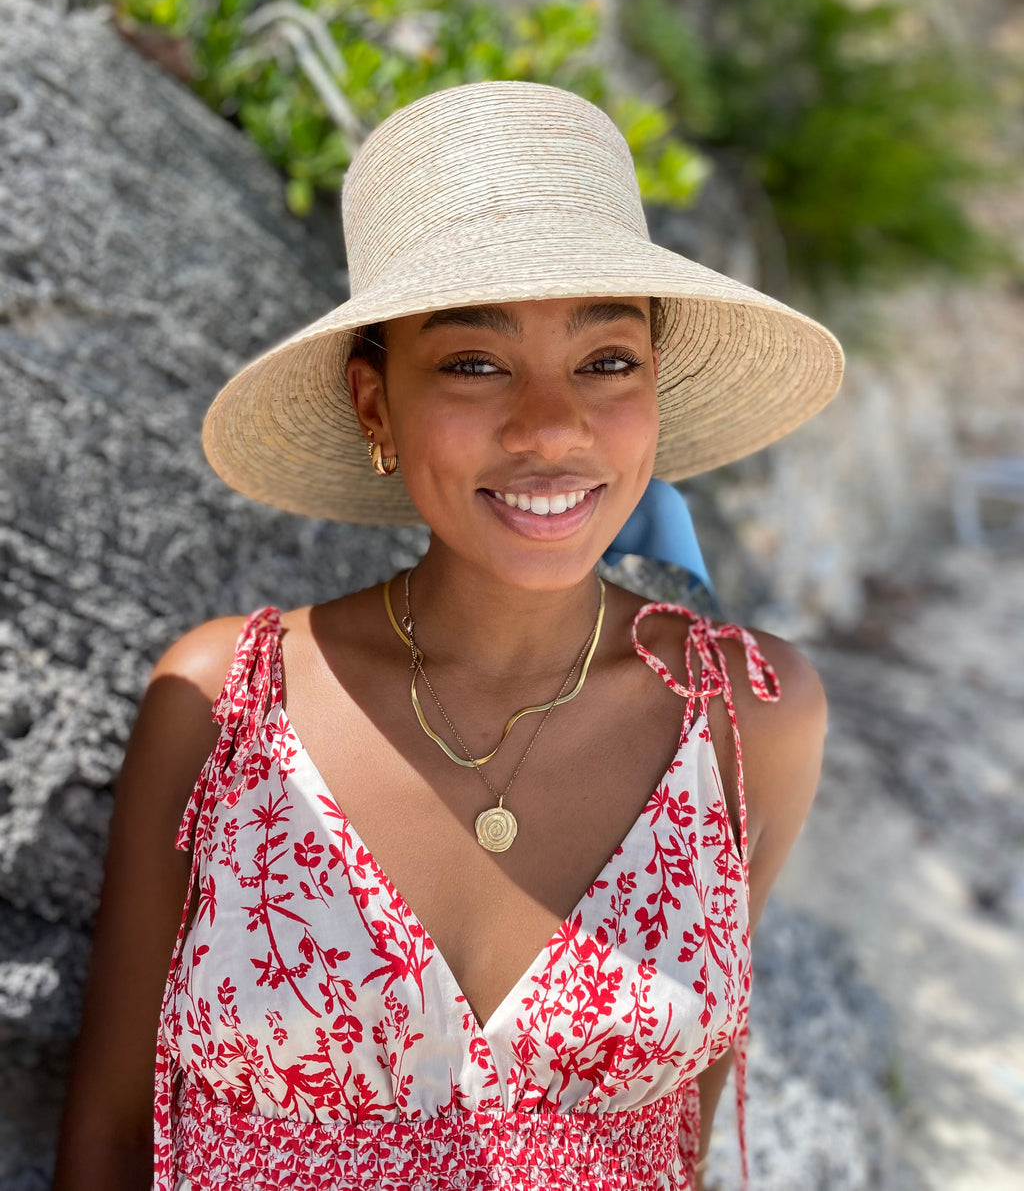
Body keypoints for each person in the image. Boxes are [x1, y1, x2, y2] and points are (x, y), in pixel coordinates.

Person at [53, 79, 844, 1190]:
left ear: (655, 388)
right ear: (376, 407)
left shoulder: (745, 716)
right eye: (474, 363)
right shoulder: (226, 706)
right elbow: (108, 1142)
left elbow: (676, 1142)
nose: (550, 424)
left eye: (606, 359)